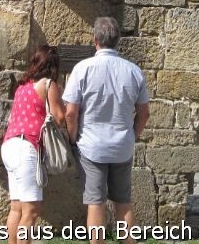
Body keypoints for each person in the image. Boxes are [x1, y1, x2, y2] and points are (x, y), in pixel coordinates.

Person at [63, 17, 150, 244]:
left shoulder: (82, 69)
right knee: (123, 201)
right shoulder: (133, 71)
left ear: (95, 41)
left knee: (96, 202)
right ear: (117, 41)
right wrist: (133, 135)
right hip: (122, 145)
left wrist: (73, 139)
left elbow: (71, 112)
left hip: (91, 146)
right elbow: (144, 113)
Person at [1, 45, 65, 244]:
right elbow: (60, 117)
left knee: (16, 209)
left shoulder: (22, 86)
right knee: (31, 212)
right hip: (26, 149)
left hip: (10, 145)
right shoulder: (48, 85)